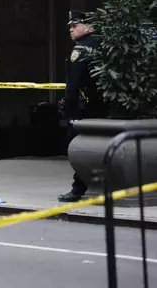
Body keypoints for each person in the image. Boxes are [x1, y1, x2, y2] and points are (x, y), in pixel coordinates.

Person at [57, 10, 107, 202]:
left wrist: (68, 107)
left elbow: (73, 83)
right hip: (100, 106)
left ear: (89, 27)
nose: (71, 29)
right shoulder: (103, 45)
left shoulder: (81, 50)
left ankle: (78, 188)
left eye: (75, 25)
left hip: (83, 108)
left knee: (80, 149)